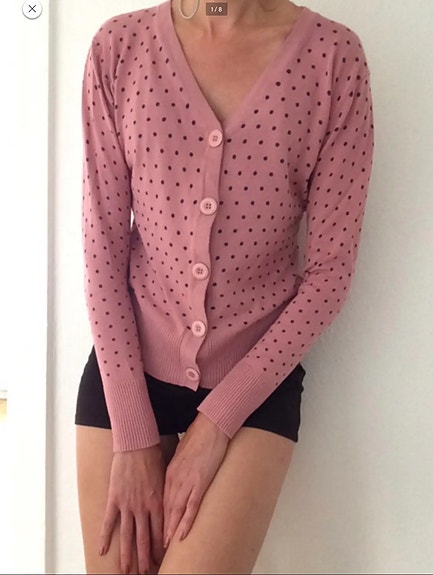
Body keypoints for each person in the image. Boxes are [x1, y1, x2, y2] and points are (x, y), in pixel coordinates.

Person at [75, 0, 374, 573]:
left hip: (255, 385)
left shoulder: (333, 59)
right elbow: (101, 251)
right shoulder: (119, 48)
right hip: (125, 375)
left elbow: (330, 273)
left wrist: (216, 424)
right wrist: (132, 435)